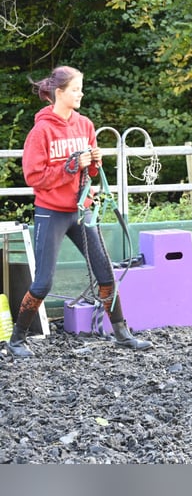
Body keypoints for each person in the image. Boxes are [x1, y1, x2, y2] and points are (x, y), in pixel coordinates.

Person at [5, 65, 151, 357]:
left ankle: (122, 333)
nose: (80, 93)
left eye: (80, 88)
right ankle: (17, 340)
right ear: (59, 93)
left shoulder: (85, 125)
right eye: (75, 89)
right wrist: (71, 165)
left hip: (82, 210)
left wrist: (95, 161)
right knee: (43, 281)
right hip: (52, 212)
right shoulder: (41, 131)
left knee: (106, 273)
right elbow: (34, 177)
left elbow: (91, 173)